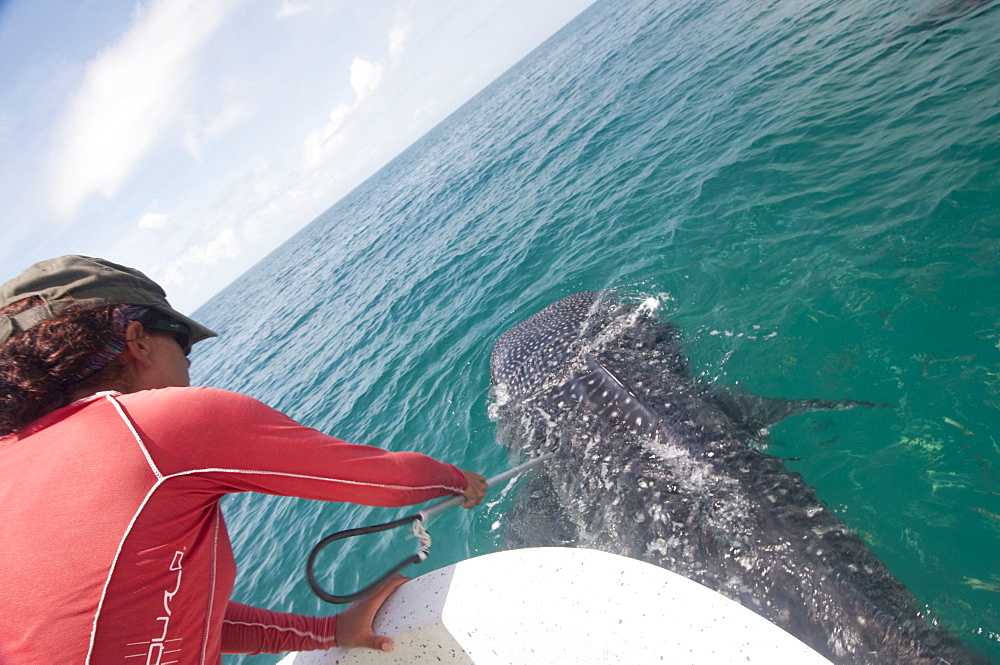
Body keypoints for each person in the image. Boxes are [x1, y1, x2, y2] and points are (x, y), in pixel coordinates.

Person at [0, 255, 488, 664]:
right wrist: (455, 479)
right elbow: (386, 483)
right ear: (137, 340)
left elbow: (160, 616)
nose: (189, 359)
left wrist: (328, 632)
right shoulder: (151, 427)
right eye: (181, 338)